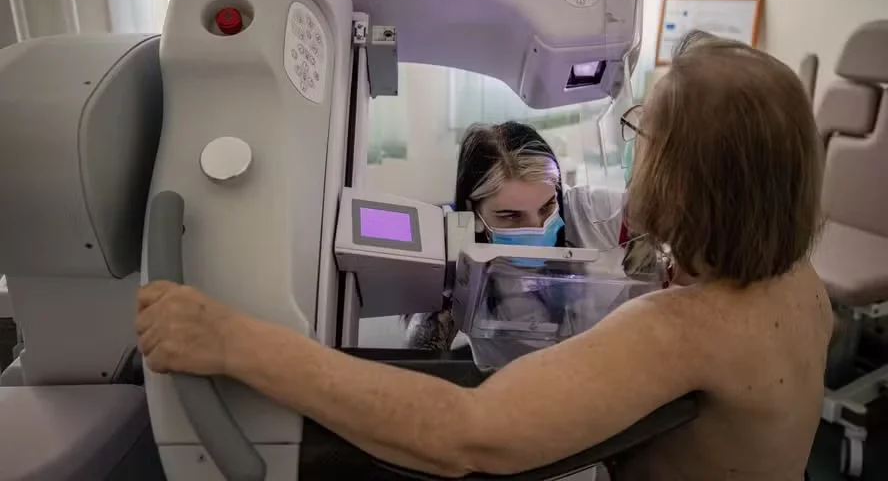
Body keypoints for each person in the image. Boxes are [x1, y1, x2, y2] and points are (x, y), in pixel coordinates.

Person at [135, 31, 833, 480]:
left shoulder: (680, 329)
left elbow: (462, 433)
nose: (632, 152)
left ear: (682, 179)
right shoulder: (803, 283)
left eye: (641, 134)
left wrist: (232, 340)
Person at [402, 121, 662, 358]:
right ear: (473, 211)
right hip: (513, 384)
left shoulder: (592, 212)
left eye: (547, 207)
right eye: (511, 216)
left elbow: (669, 219)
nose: (537, 228)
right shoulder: (456, 247)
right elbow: (422, 356)